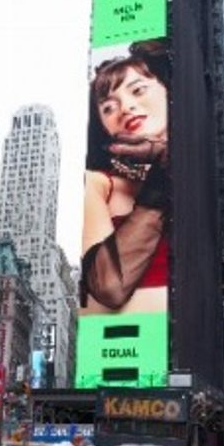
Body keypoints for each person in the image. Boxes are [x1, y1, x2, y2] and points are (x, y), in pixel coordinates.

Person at [81, 42, 171, 314]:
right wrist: (163, 172)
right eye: (109, 107)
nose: (126, 108)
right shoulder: (98, 182)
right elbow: (109, 286)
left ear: (167, 91)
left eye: (138, 90)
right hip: (132, 336)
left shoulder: (200, 165)